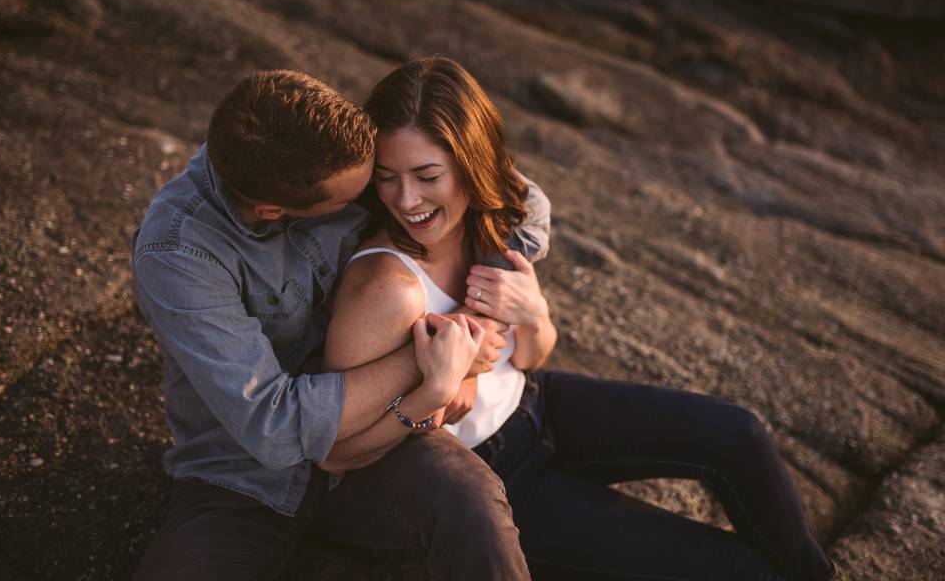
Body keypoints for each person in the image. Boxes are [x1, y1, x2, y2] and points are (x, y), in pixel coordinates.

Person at [323, 56, 837, 581]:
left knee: (739, 434)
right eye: (387, 179)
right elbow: (335, 452)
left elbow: (531, 354)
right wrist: (439, 385)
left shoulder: (485, 225)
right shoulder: (387, 286)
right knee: (737, 570)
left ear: (470, 165)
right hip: (494, 474)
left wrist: (534, 312)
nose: (406, 200)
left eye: (427, 175)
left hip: (538, 405)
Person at [130, 69, 552, 580]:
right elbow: (273, 427)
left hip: (377, 440)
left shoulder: (340, 153)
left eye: (374, 179)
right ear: (275, 211)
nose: (391, 199)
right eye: (356, 196)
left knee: (466, 494)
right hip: (246, 475)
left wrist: (479, 332)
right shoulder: (180, 251)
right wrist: (443, 348)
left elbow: (511, 195)